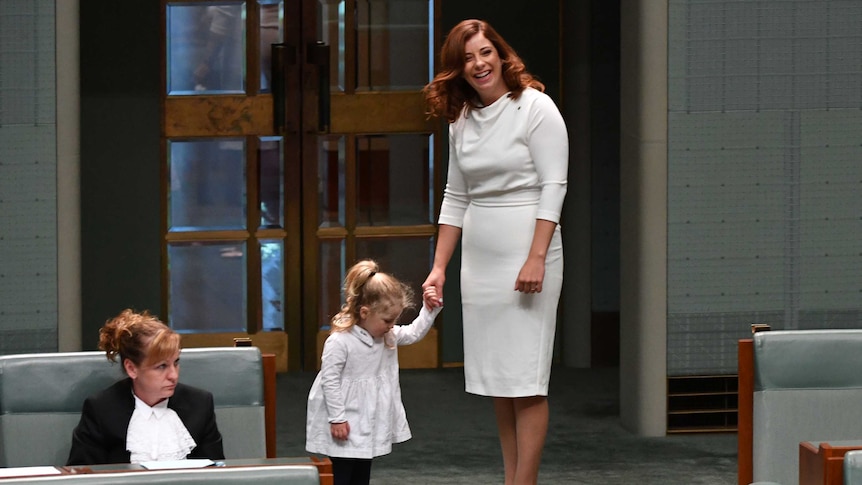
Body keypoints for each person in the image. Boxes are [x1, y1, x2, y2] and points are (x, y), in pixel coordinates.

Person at [421, 19, 568, 485]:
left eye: (485, 52)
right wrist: (440, 267)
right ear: (458, 69)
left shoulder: (536, 108)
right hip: (480, 264)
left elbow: (554, 186)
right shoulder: (461, 120)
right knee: (500, 386)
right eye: (467, 58)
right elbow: (455, 195)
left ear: (501, 55)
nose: (478, 63)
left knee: (526, 381)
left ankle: (524, 482)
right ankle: (512, 479)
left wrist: (536, 256)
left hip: (528, 253)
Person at [305, 260, 443, 485]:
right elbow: (329, 380)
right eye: (387, 320)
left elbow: (413, 333)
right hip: (345, 416)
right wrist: (337, 418)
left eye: (394, 321)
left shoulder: (387, 335)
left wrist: (430, 309)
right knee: (342, 469)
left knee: (363, 465)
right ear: (365, 312)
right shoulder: (340, 341)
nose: (392, 326)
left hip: (367, 415)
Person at [66, 309, 224, 465]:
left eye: (176, 363)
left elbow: (216, 474)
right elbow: (81, 476)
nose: (173, 375)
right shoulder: (101, 409)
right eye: (162, 366)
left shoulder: (200, 404)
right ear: (132, 369)